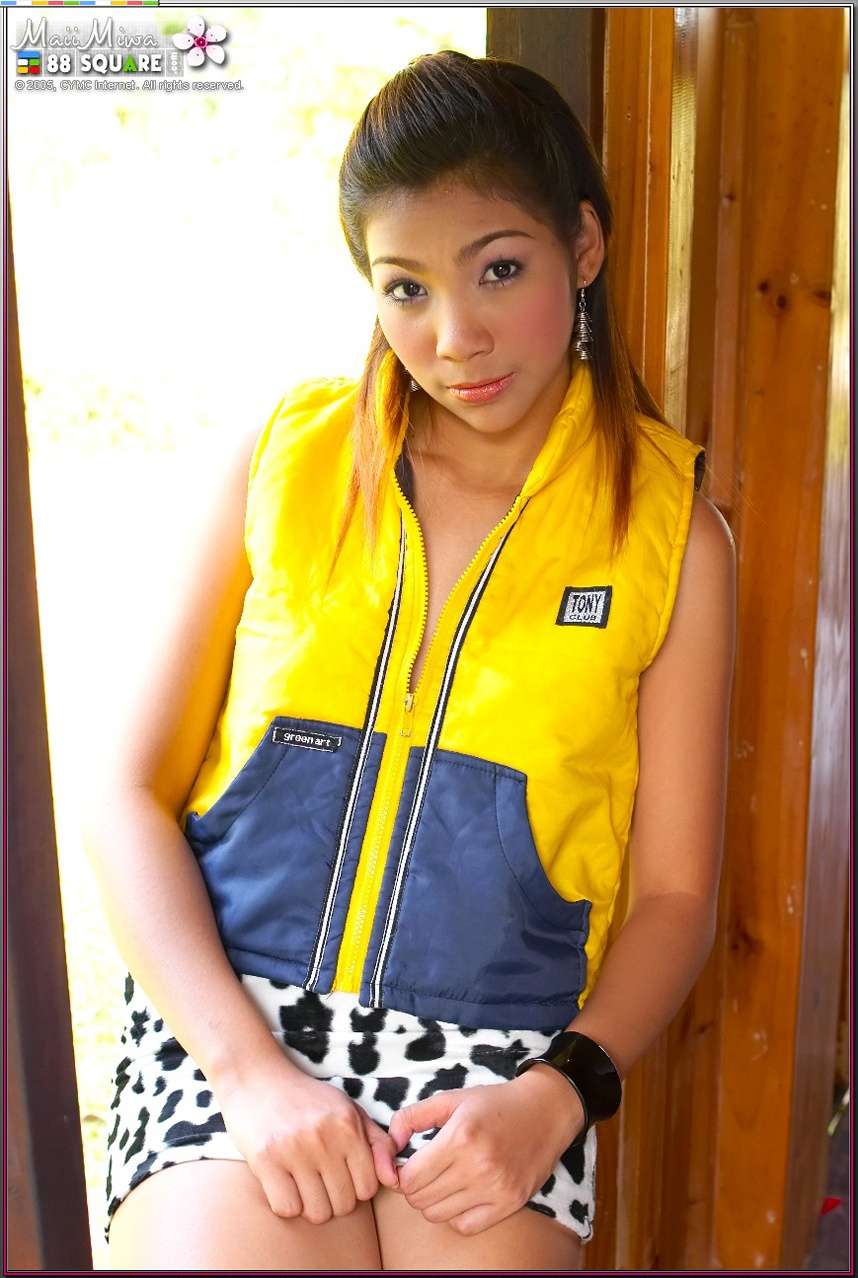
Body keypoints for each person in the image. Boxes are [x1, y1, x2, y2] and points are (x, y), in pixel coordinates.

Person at [84, 49, 736, 1272]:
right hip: (235, 1029)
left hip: (504, 1070)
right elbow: (124, 795)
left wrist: (558, 1094)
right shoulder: (287, 463)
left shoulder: (671, 537)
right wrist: (247, 1072)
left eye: (500, 270)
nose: (455, 337)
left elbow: (674, 897)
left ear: (582, 247)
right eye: (405, 288)